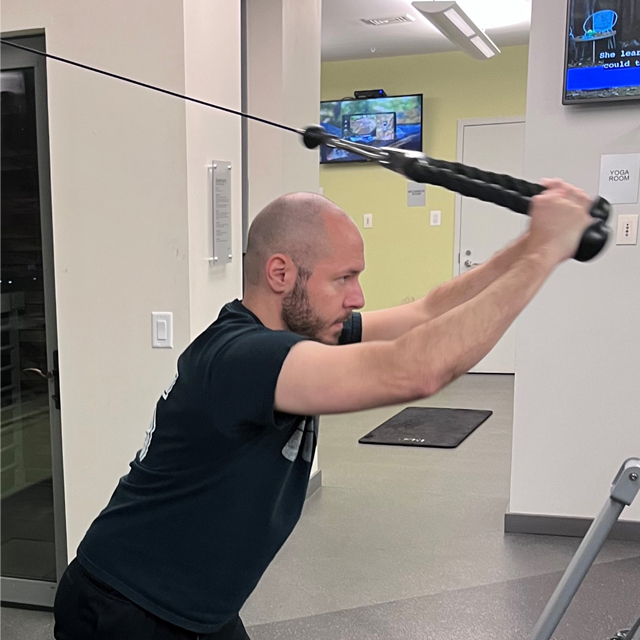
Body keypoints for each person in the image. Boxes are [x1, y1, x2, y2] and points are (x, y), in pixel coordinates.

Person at [53, 180, 595, 639]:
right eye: (343, 278)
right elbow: (415, 368)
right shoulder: (244, 356)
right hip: (122, 606)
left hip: (198, 606)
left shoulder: (301, 332)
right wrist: (548, 252)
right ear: (281, 274)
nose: (357, 297)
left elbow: (428, 312)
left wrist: (529, 244)